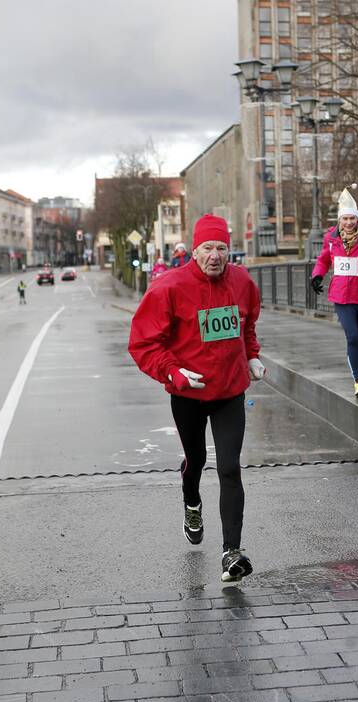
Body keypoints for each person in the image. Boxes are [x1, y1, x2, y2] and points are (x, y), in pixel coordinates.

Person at [128, 214, 265, 582]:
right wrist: (171, 371)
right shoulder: (168, 287)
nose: (215, 256)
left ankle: (231, 553)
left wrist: (251, 355)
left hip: (230, 391)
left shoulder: (242, 282)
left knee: (229, 468)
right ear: (194, 249)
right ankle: (191, 502)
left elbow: (247, 322)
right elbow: (143, 343)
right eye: (207, 248)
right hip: (188, 393)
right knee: (197, 460)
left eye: (221, 248)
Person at [310, 187, 358, 398]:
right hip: (342, 296)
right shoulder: (331, 239)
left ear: (357, 219)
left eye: (353, 218)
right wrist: (317, 275)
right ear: (339, 220)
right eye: (345, 218)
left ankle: (356, 364)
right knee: (352, 337)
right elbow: (324, 259)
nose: (349, 222)